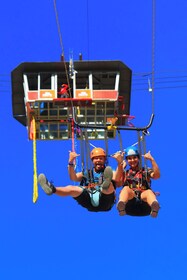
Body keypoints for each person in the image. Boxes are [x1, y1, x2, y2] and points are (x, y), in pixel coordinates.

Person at [38, 147, 123, 212]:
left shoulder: (110, 172)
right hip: (89, 199)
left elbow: (117, 178)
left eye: (101, 158)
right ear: (92, 161)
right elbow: (73, 177)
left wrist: (120, 163)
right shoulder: (87, 173)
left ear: (104, 160)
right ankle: (52, 189)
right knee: (72, 189)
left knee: (108, 186)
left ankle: (105, 184)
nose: (98, 160)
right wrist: (71, 162)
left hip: (105, 201)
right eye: (96, 158)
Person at [115, 146, 161, 218]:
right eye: (129, 158)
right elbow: (117, 182)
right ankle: (121, 205)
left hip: (145, 205)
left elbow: (156, 176)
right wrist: (120, 164)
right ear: (127, 160)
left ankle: (154, 207)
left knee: (148, 192)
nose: (132, 160)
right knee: (126, 189)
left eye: (134, 158)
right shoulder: (125, 173)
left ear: (138, 158)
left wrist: (152, 160)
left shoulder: (145, 171)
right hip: (129, 205)